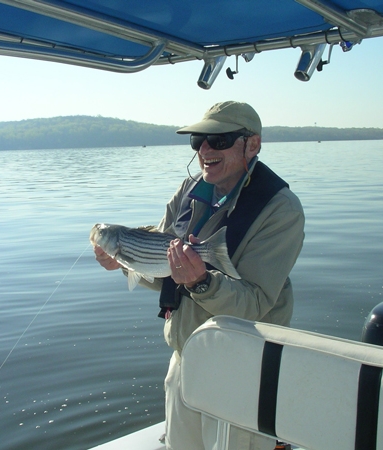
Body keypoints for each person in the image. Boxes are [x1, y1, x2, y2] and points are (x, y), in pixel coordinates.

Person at [94, 101, 305, 450]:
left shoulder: (280, 210)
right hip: (186, 355)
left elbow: (254, 304)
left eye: (219, 140)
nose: (205, 149)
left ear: (252, 145)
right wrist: (125, 262)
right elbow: (162, 269)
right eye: (198, 141)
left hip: (243, 366)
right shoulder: (189, 192)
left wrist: (201, 282)